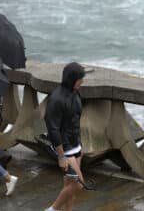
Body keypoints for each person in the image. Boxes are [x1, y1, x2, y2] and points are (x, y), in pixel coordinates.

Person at [44, 62, 86, 211]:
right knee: (78, 183)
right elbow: (53, 129)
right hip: (64, 146)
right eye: (80, 79)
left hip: (75, 143)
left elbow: (75, 119)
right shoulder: (56, 99)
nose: (82, 82)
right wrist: (61, 156)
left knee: (70, 185)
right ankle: (53, 209)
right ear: (71, 79)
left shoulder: (75, 92)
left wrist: (79, 143)